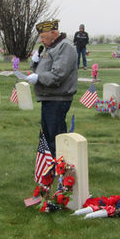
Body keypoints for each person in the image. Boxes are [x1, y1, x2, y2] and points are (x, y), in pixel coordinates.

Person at [27, 20, 78, 156]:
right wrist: (35, 62)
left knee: (56, 136)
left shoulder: (65, 47)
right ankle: (50, 165)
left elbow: (58, 75)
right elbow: (42, 70)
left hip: (58, 98)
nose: (42, 40)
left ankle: (60, 166)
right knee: (47, 134)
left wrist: (38, 78)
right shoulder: (51, 47)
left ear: (54, 33)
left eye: (44, 37)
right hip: (49, 97)